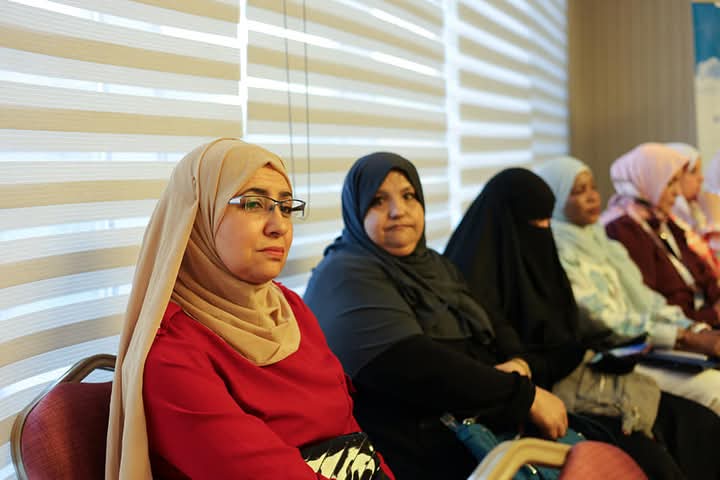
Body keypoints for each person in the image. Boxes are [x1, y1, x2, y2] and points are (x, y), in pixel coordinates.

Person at [105, 139, 394, 480]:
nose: (279, 225)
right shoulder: (171, 356)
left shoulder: (289, 308)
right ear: (199, 216)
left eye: (286, 208)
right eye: (254, 204)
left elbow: (353, 436)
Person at [304, 153, 568, 480]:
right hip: (409, 451)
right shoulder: (344, 274)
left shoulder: (434, 265)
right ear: (356, 211)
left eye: (408, 196)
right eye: (378, 201)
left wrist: (517, 363)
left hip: (469, 429)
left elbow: (488, 323)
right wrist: (522, 395)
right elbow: (416, 364)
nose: (398, 211)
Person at [444, 167, 720, 480]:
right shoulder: (472, 282)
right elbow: (510, 364)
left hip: (581, 375)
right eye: (534, 221)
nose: (543, 229)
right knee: (652, 457)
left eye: (546, 220)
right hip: (539, 402)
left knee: (697, 425)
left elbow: (571, 336)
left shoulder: (569, 250)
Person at [535, 155, 720, 414]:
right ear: (554, 198)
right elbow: (602, 318)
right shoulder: (558, 250)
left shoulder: (600, 240)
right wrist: (684, 336)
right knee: (715, 389)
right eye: (578, 191)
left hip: (650, 345)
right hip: (612, 356)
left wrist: (695, 328)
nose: (592, 197)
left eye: (593, 187)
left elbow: (648, 300)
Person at [601, 143, 720, 325]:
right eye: (670, 182)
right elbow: (653, 306)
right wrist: (711, 316)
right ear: (647, 180)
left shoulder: (660, 219)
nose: (677, 192)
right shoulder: (623, 229)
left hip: (700, 320)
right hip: (681, 330)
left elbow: (700, 271)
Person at [666, 143, 720, 276]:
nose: (701, 178)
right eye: (693, 171)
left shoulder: (695, 210)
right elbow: (711, 267)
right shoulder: (670, 219)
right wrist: (714, 221)